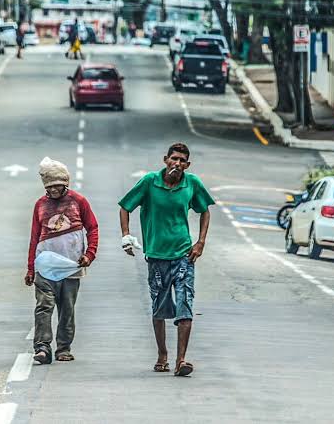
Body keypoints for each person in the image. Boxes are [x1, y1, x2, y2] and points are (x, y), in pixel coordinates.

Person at [118, 143, 215, 377]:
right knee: (159, 307)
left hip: (183, 255)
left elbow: (205, 211)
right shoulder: (149, 182)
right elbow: (125, 206)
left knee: (185, 305)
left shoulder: (192, 183)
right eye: (174, 159)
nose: (177, 164)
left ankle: (181, 360)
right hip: (156, 256)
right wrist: (126, 236)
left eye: (182, 161)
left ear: (187, 165)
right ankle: (162, 354)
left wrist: (200, 242)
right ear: (165, 160)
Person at [26, 157, 99, 365]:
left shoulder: (79, 201)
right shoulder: (40, 205)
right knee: (44, 305)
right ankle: (42, 347)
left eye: (57, 186)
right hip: (45, 265)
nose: (54, 191)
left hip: (71, 266)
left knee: (67, 307)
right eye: (50, 187)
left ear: (65, 183)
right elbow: (34, 237)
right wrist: (31, 268)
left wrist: (89, 254)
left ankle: (64, 347)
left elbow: (92, 228)